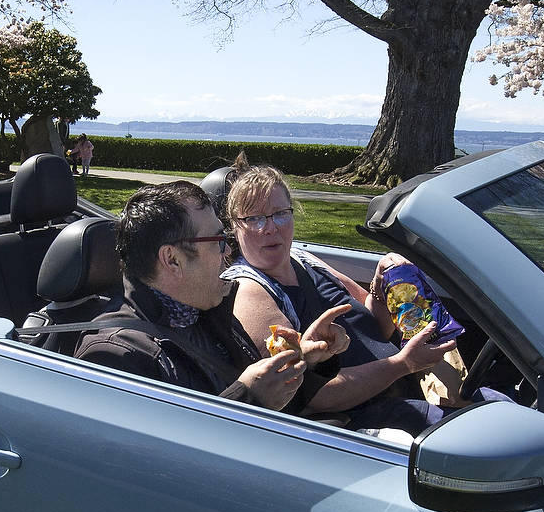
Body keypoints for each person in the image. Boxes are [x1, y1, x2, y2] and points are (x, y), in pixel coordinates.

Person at [221, 164, 459, 433]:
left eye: (280, 214)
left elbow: (373, 326)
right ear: (234, 226)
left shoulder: (303, 258)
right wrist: (403, 364)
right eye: (254, 219)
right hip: (367, 421)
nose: (270, 228)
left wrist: (383, 285)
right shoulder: (248, 289)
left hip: (406, 392)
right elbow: (313, 394)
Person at [75, 181, 351, 413]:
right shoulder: (115, 355)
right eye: (219, 241)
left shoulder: (212, 310)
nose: (227, 253)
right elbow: (151, 463)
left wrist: (306, 362)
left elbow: (281, 411)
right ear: (172, 260)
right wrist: (248, 399)